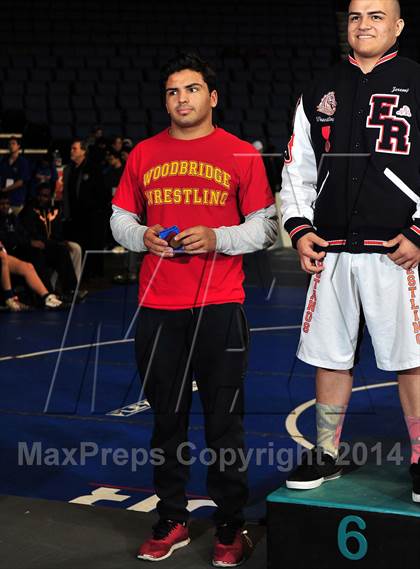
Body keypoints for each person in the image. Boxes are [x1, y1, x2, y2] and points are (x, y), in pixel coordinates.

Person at [111, 53, 278, 565]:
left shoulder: (240, 155)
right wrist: (140, 235)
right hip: (159, 306)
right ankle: (173, 517)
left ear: (212, 97)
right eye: (171, 92)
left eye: (191, 89)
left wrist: (216, 237)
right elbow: (119, 217)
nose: (180, 99)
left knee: (225, 421)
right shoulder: (143, 152)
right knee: (167, 420)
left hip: (219, 304)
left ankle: (230, 525)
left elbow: (266, 227)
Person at [280, 0, 420, 503]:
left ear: (398, 25)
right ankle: (325, 451)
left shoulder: (417, 81)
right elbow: (297, 166)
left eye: (377, 16)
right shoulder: (319, 87)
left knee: (412, 357)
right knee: (329, 355)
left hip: (396, 251)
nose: (364, 24)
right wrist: (298, 228)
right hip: (333, 250)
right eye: (357, 16)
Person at [62, 139, 107, 277]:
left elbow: (101, 193)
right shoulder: (69, 169)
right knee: (78, 244)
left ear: (83, 151)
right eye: (71, 148)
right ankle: (81, 273)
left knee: (92, 243)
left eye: (74, 149)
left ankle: (94, 273)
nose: (71, 151)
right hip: (75, 215)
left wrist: (97, 211)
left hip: (91, 215)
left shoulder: (93, 168)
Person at [0, 136, 30, 214]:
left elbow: (21, 182)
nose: (11, 146)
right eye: (9, 144)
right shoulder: (4, 161)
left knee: (16, 223)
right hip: (4, 201)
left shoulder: (23, 162)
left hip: (17, 200)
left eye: (13, 144)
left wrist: (5, 189)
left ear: (18, 146)